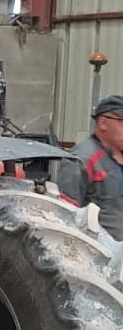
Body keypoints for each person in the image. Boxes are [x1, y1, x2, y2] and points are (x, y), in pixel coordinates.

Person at [57, 94, 123, 240]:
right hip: (100, 252)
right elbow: (67, 216)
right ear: (103, 123)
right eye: (122, 122)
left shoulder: (118, 156)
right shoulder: (81, 160)